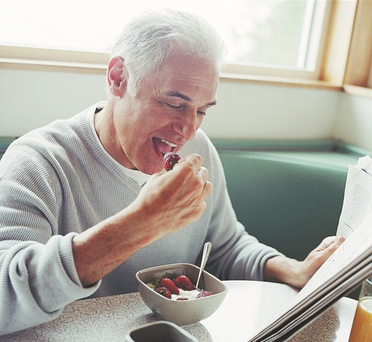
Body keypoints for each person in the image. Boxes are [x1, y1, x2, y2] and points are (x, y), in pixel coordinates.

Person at [0, 9, 344, 335]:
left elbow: (224, 248)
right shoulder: (38, 163)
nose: (187, 130)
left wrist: (294, 271)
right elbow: (5, 299)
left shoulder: (198, 150)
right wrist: (140, 223)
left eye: (201, 111)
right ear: (118, 77)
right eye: (174, 104)